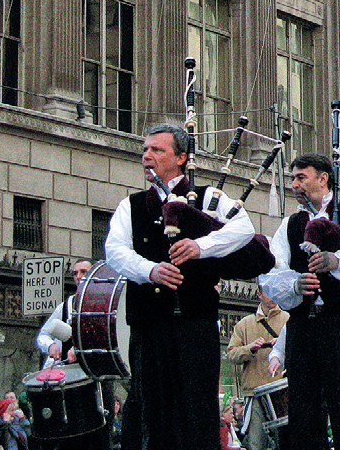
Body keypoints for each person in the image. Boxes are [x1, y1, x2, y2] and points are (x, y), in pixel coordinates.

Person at [104, 123, 255, 450]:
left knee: (196, 412)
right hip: (148, 325)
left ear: (182, 157)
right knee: (150, 410)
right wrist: (150, 270)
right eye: (145, 150)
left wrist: (201, 246)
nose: (147, 156)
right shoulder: (131, 206)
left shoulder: (208, 198)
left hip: (194, 323)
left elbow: (243, 229)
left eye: (157, 150)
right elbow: (114, 251)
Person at [258, 154, 340, 450]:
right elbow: (271, 269)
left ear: (323, 179)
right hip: (302, 327)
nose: (294, 184)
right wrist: (294, 284)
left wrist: (338, 260)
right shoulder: (291, 224)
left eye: (301, 177)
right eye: (292, 178)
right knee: (303, 414)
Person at [225, 287, 287, 450]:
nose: (272, 295)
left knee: (286, 440)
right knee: (255, 442)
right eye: (267, 291)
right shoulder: (244, 324)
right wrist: (249, 348)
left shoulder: (288, 319)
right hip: (254, 392)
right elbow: (231, 353)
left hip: (282, 391)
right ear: (258, 294)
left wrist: (282, 346)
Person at [36, 259, 94, 367]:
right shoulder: (65, 307)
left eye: (83, 272)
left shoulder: (103, 304)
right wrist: (50, 346)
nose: (78, 277)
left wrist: (79, 348)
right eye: (75, 273)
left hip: (95, 373)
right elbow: (43, 335)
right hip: (68, 375)